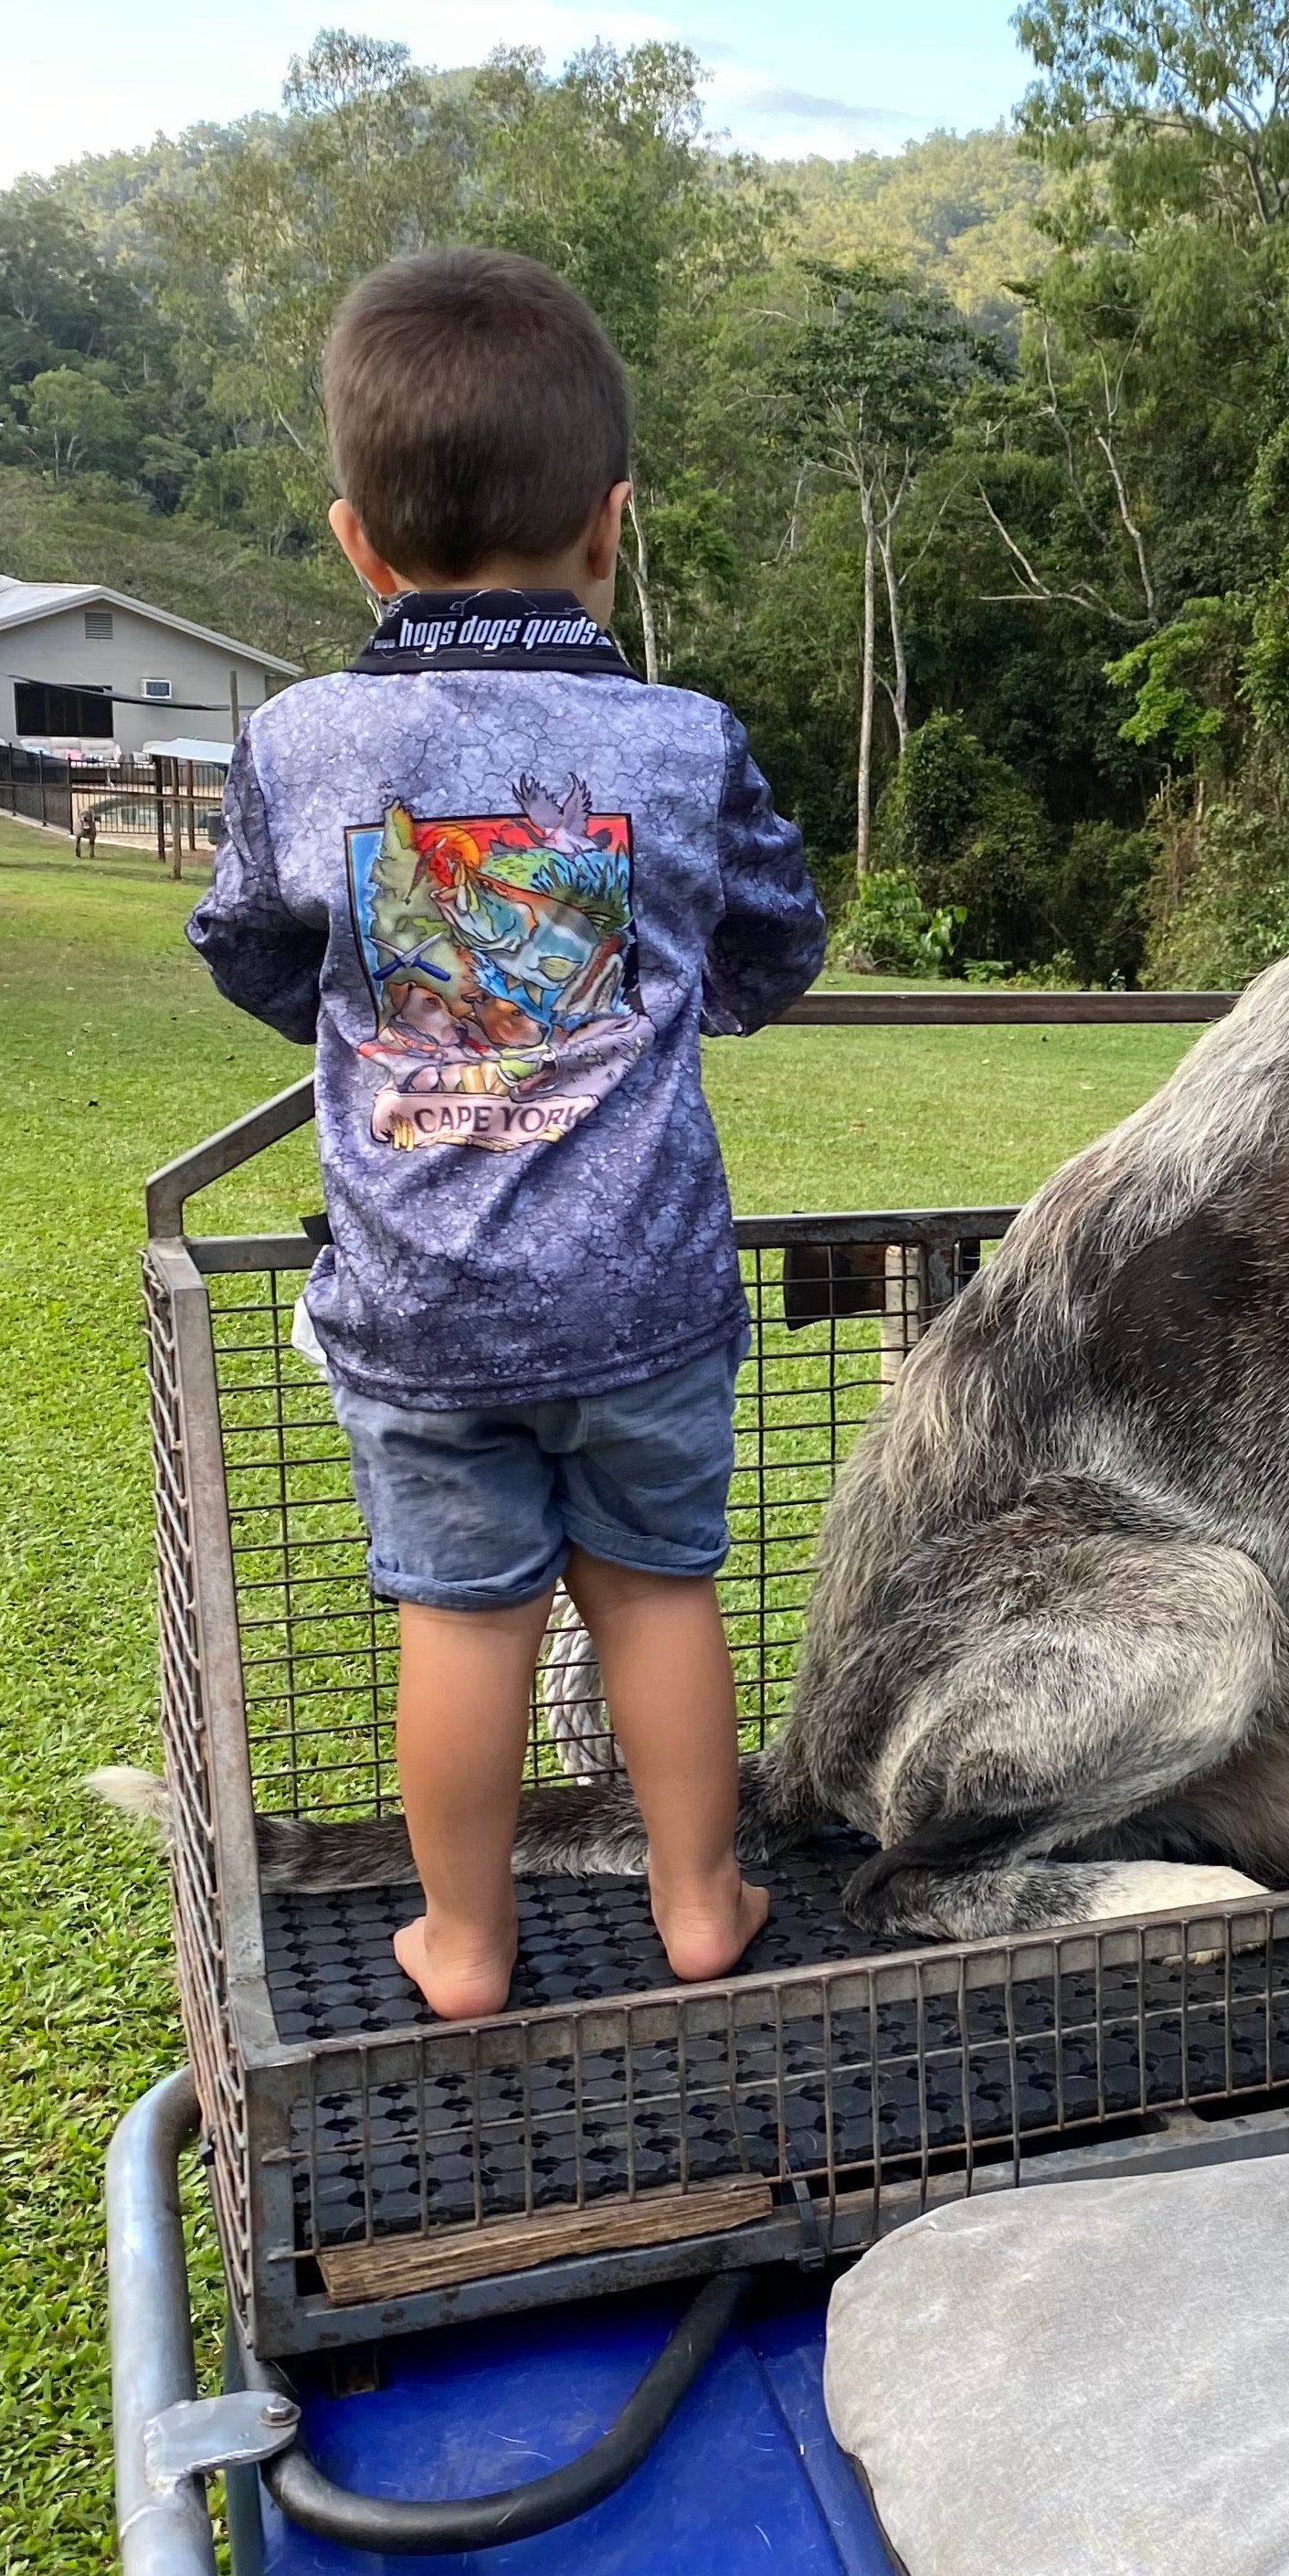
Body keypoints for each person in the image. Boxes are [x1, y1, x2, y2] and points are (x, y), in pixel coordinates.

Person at [186, 247, 826, 2019]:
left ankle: (464, 1945)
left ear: (356, 545)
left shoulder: (303, 741)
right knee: (658, 1593)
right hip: (643, 1301)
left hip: (420, 1309)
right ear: (610, 530)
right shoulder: (683, 741)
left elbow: (249, 943)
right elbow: (777, 941)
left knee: (463, 1622)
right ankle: (701, 1899)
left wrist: (385, 1023)